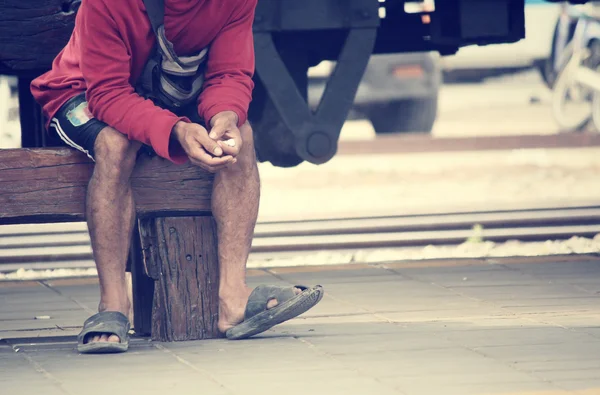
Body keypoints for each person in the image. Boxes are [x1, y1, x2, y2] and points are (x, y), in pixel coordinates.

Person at [30, 0, 323, 354]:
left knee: (239, 138)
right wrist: (176, 130)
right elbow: (107, 95)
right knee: (115, 145)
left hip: (164, 93)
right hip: (82, 90)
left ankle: (233, 300)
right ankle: (112, 304)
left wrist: (225, 116)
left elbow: (228, 74)